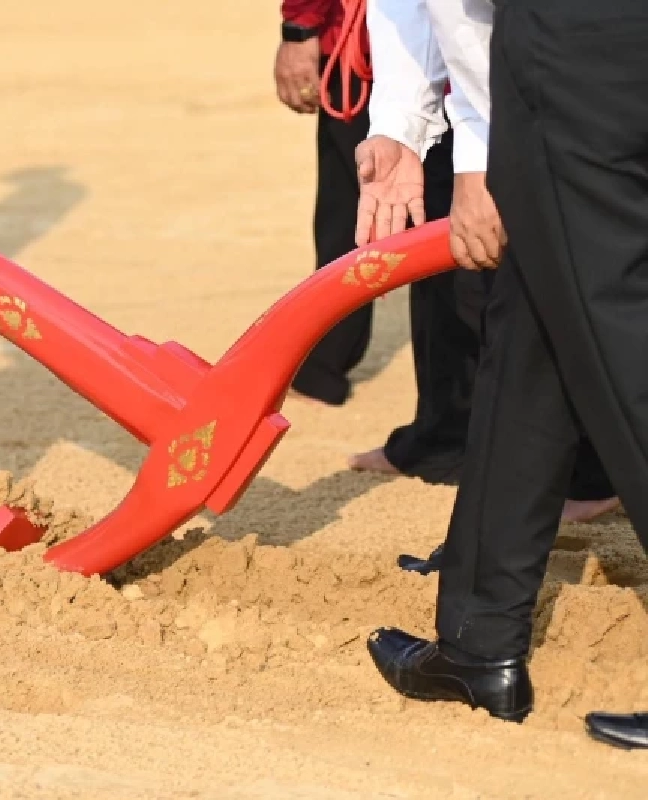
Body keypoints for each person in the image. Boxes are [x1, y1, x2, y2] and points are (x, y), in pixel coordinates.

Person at [355, 0, 648, 747]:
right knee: (537, 324)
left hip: (580, 49)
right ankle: (480, 641)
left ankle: (480, 640)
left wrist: (479, 155)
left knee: (617, 338)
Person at [275, 0, 619, 528]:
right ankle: (451, 438)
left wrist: (477, 154)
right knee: (457, 258)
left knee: (565, 278)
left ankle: (592, 468)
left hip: (559, 77)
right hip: (438, 72)